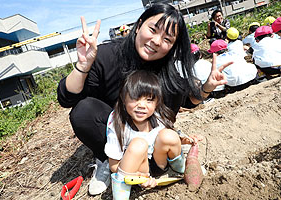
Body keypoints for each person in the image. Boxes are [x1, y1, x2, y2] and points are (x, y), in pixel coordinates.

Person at [57, 3, 231, 195]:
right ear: (139, 25)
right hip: (116, 135)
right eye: (153, 30)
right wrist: (83, 65)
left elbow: (188, 100)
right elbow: (66, 99)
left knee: (168, 94)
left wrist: (207, 87)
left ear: (173, 46)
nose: (156, 41)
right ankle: (106, 161)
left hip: (152, 142)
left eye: (167, 39)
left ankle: (165, 159)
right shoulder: (107, 55)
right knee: (83, 111)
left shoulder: (168, 68)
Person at [105, 70, 201, 198]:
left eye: (149, 100)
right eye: (135, 98)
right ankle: (121, 195)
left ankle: (181, 169)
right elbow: (113, 166)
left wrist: (184, 140)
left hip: (158, 162)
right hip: (134, 171)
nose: (142, 105)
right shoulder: (117, 122)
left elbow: (168, 140)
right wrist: (139, 177)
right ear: (123, 98)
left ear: (156, 103)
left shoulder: (157, 116)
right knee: (139, 144)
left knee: (169, 135)